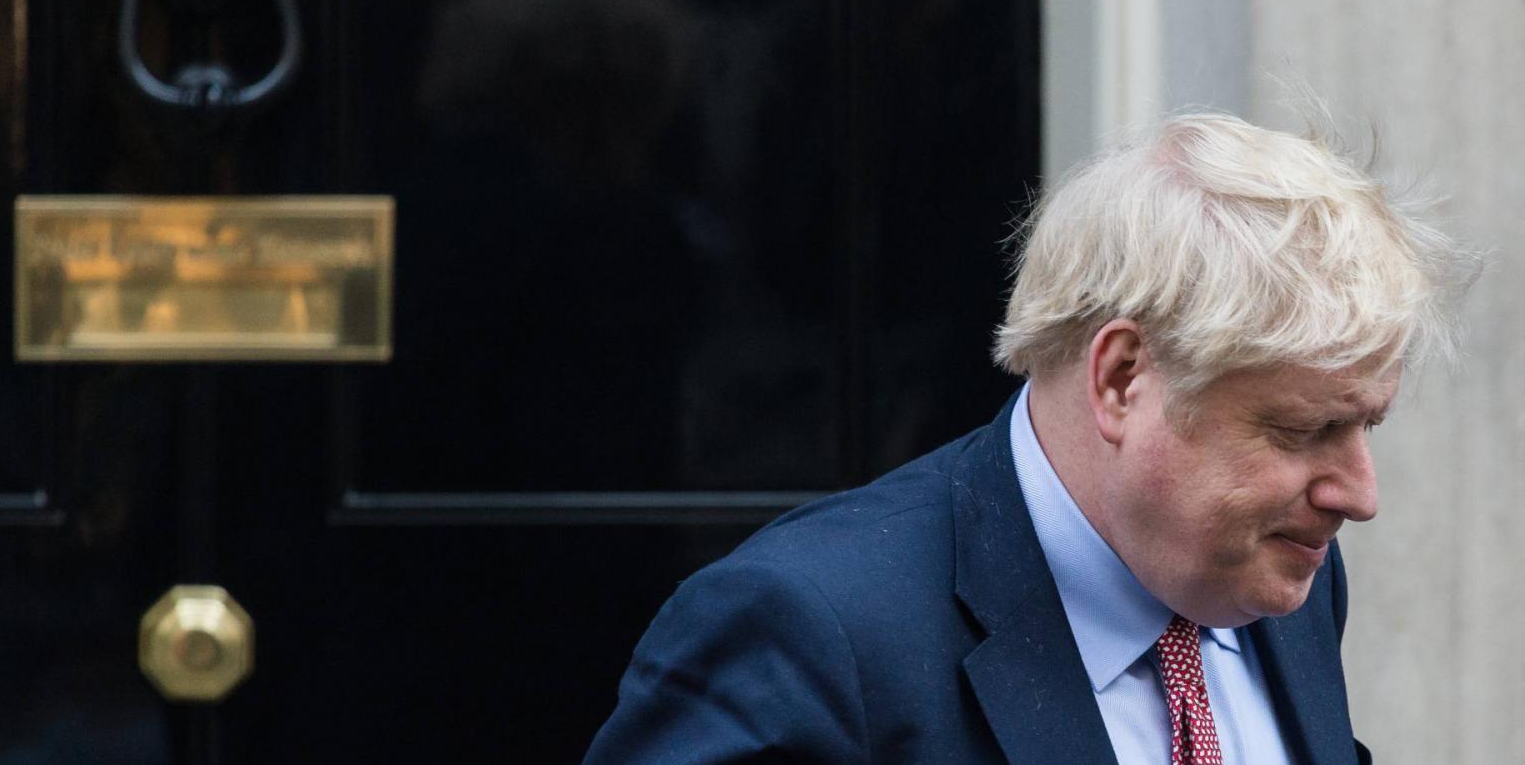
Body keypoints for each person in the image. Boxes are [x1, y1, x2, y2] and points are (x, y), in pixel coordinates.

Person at [583, 112, 1477, 763]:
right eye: (1303, 429)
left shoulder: (1280, 579)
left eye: (1365, 424)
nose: (1359, 494)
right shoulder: (810, 635)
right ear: (1121, 378)